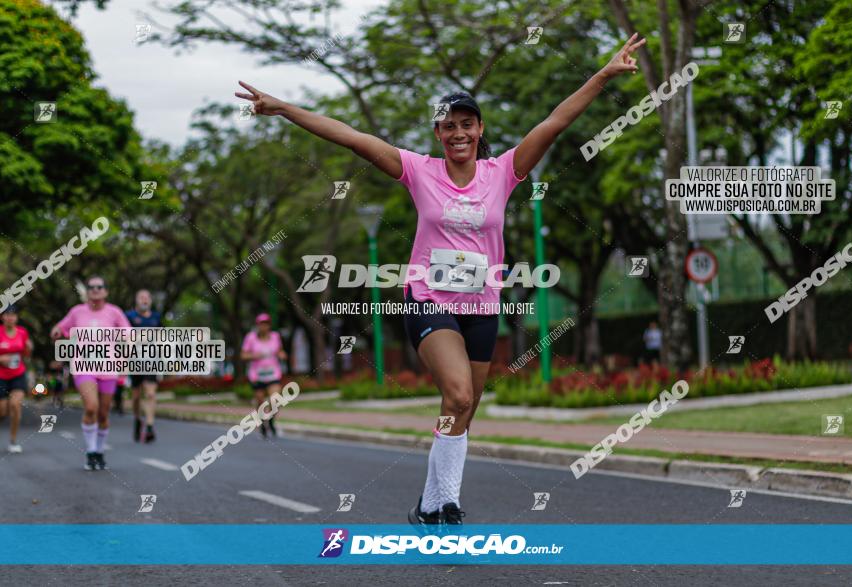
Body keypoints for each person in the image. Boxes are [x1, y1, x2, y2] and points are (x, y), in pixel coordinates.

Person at [235, 31, 645, 526]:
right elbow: (348, 134)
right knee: (459, 395)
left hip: (482, 305)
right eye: (449, 125)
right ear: (438, 134)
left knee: (465, 409)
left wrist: (603, 74)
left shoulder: (504, 171)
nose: (458, 133)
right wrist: (284, 108)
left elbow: (554, 122)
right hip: (428, 299)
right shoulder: (417, 170)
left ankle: (430, 505)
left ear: (479, 129)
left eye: (466, 124)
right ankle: (445, 501)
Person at [51, 276, 131, 470]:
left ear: (106, 291)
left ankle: (100, 451)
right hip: (83, 366)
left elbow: (129, 335)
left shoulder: (115, 312)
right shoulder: (77, 312)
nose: (95, 290)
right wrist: (57, 333)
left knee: (103, 414)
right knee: (91, 407)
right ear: (87, 292)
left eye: (99, 287)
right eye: (91, 287)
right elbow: (60, 328)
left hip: (109, 368)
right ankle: (91, 451)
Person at [241, 313, 286, 438]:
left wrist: (282, 354)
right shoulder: (251, 338)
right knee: (260, 401)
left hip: (273, 373)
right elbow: (243, 355)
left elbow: (280, 350)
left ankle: (271, 421)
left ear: (269, 326)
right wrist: (255, 355)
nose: (264, 326)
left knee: (275, 399)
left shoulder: (275, 337)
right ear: (257, 325)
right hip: (257, 375)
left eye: (266, 324)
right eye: (261, 324)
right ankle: (262, 425)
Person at [125, 290, 163, 443]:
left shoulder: (156, 317)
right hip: (134, 359)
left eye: (147, 298)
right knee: (135, 397)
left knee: (151, 394)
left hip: (152, 359)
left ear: (150, 301)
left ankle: (149, 426)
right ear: (136, 300)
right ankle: (137, 419)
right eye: (141, 297)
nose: (144, 300)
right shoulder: (129, 317)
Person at [0, 305, 32, 453]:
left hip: (18, 374)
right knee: (3, 411)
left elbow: (26, 354)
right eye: (7, 315)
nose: (10, 317)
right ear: (2, 317)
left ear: (17, 318)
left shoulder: (22, 332)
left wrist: (29, 348)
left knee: (15, 404)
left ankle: (13, 441)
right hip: (1, 376)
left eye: (13, 315)